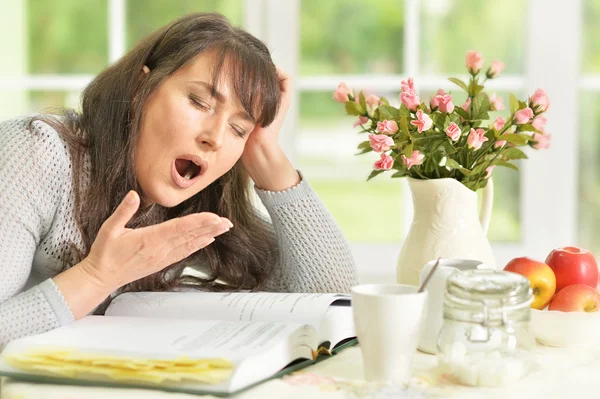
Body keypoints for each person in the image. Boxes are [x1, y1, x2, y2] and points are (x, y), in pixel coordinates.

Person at [0, 13, 358, 348]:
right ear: (143, 88)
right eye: (199, 102)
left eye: (238, 129)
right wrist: (97, 277)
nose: (216, 138)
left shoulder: (191, 205)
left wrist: (265, 152)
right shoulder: (35, 153)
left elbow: (330, 291)